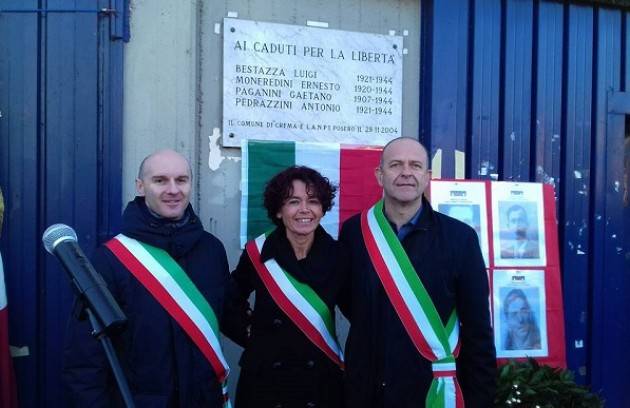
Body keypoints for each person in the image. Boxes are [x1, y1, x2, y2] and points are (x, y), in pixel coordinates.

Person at [63, 149, 231, 407]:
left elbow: (227, 317)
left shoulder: (212, 250)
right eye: (160, 180)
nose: (173, 190)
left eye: (181, 180)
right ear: (141, 187)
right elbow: (86, 359)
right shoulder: (111, 259)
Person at [339, 137, 496, 407]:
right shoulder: (355, 232)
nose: (406, 173)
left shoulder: (460, 238)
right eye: (395, 165)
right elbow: (349, 302)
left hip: (428, 390)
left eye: (415, 165)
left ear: (427, 177)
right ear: (380, 175)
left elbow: (477, 330)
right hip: (366, 390)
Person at [223, 166, 345, 408]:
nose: (304, 210)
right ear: (279, 211)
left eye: (313, 201)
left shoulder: (339, 255)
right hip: (266, 380)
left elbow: (360, 310)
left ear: (322, 209)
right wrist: (251, 336)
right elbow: (229, 301)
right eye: (293, 201)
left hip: (320, 378)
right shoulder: (257, 252)